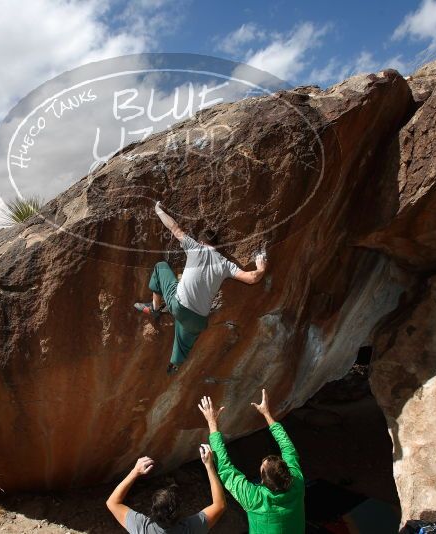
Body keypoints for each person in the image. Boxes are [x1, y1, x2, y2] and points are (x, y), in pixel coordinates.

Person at [135, 201, 268, 374]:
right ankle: (174, 365)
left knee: (160, 267)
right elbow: (251, 278)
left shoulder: (194, 247)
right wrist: (262, 268)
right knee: (185, 338)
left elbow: (174, 228)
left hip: (180, 306)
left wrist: (158, 210)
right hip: (199, 320)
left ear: (201, 241)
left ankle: (154, 308)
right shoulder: (225, 263)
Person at [198, 390, 305, 533]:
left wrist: (212, 422)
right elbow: (287, 448)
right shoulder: (297, 482)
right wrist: (267, 414)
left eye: (262, 467)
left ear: (262, 481)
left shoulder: (255, 500)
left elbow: (225, 469)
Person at [105, 445, 226, 533]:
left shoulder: (142, 528)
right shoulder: (192, 528)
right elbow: (220, 505)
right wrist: (209, 466)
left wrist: (134, 472)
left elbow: (112, 502)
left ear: (153, 512)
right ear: (179, 511)